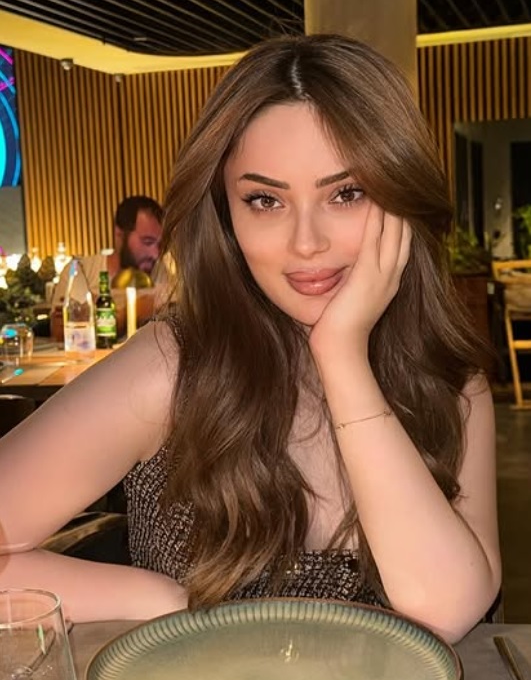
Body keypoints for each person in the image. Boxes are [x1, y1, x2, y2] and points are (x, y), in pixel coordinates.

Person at [0, 34, 501, 642]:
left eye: (346, 193)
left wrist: (341, 355)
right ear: (227, 215)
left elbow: (445, 609)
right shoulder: (175, 365)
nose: (307, 242)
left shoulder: (453, 384)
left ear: (400, 200)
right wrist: (161, 601)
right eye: (265, 200)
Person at [50, 195, 166, 339]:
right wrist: (131, 312)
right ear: (119, 234)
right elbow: (61, 332)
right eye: (147, 242)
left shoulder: (163, 273)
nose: (155, 254)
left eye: (160, 245)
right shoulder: (80, 271)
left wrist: (96, 311)